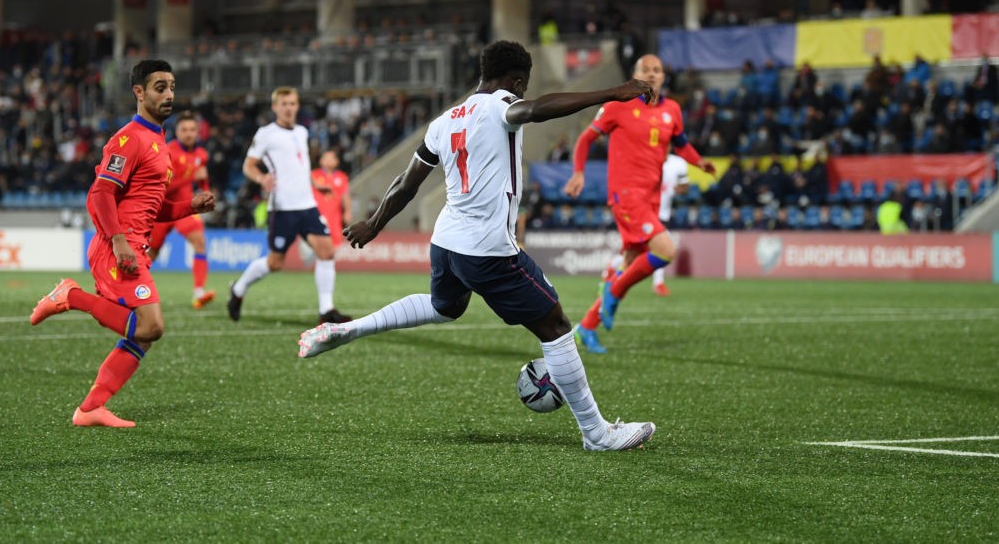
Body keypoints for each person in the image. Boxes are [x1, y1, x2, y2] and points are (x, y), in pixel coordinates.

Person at [297, 40, 656, 452]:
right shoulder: (501, 104)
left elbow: (407, 183)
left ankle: (348, 328)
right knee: (555, 327)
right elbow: (533, 110)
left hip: (446, 242)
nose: (521, 94)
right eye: (522, 86)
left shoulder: (445, 120)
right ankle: (597, 434)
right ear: (515, 80)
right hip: (487, 249)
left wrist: (375, 224)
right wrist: (611, 92)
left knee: (443, 307)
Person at [29, 59, 216, 427]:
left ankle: (90, 409)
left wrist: (188, 207)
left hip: (134, 244)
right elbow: (100, 194)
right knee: (151, 326)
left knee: (143, 335)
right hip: (118, 246)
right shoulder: (129, 139)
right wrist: (118, 242)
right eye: (160, 87)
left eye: (172, 87)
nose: (169, 94)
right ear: (139, 92)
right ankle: (72, 296)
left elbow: (152, 208)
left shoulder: (159, 143)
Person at [563, 53, 716, 354]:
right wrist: (578, 172)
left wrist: (700, 163)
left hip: (651, 197)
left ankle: (587, 327)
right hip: (626, 194)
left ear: (663, 76)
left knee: (631, 261)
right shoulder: (617, 107)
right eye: (645, 69)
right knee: (666, 250)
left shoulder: (672, 109)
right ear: (634, 75)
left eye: (657, 70)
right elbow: (585, 140)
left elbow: (682, 144)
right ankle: (613, 290)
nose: (652, 74)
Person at [227, 87, 351, 325]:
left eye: (292, 103)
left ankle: (327, 310)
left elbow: (299, 166)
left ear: (297, 106)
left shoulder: (302, 132)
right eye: (283, 104)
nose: (288, 108)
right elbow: (249, 165)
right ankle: (238, 289)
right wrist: (262, 178)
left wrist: (316, 183)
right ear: (275, 107)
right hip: (282, 208)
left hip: (307, 205)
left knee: (327, 251)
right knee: (275, 263)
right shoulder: (266, 134)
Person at [147, 110, 215, 309]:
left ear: (198, 132)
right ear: (176, 131)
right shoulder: (167, 152)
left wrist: (206, 192)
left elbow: (202, 181)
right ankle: (129, 290)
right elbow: (164, 186)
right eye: (184, 129)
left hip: (185, 207)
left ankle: (198, 293)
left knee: (200, 242)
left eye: (192, 130)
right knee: (151, 254)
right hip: (162, 209)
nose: (188, 133)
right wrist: (192, 176)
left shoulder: (201, 154)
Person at [650, 153, 690, 297]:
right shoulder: (647, 156)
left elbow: (685, 187)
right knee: (660, 248)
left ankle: (612, 270)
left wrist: (672, 189)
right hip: (646, 210)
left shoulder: (678, 162)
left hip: (662, 213)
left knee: (648, 249)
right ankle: (658, 283)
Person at [311, 148, 352, 252]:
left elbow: (345, 195)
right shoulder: (313, 175)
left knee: (333, 248)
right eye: (326, 158)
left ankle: (327, 266)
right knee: (317, 246)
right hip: (316, 216)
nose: (328, 161)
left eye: (331, 158)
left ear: (337, 161)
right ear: (321, 161)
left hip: (334, 217)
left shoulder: (342, 177)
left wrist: (347, 211)